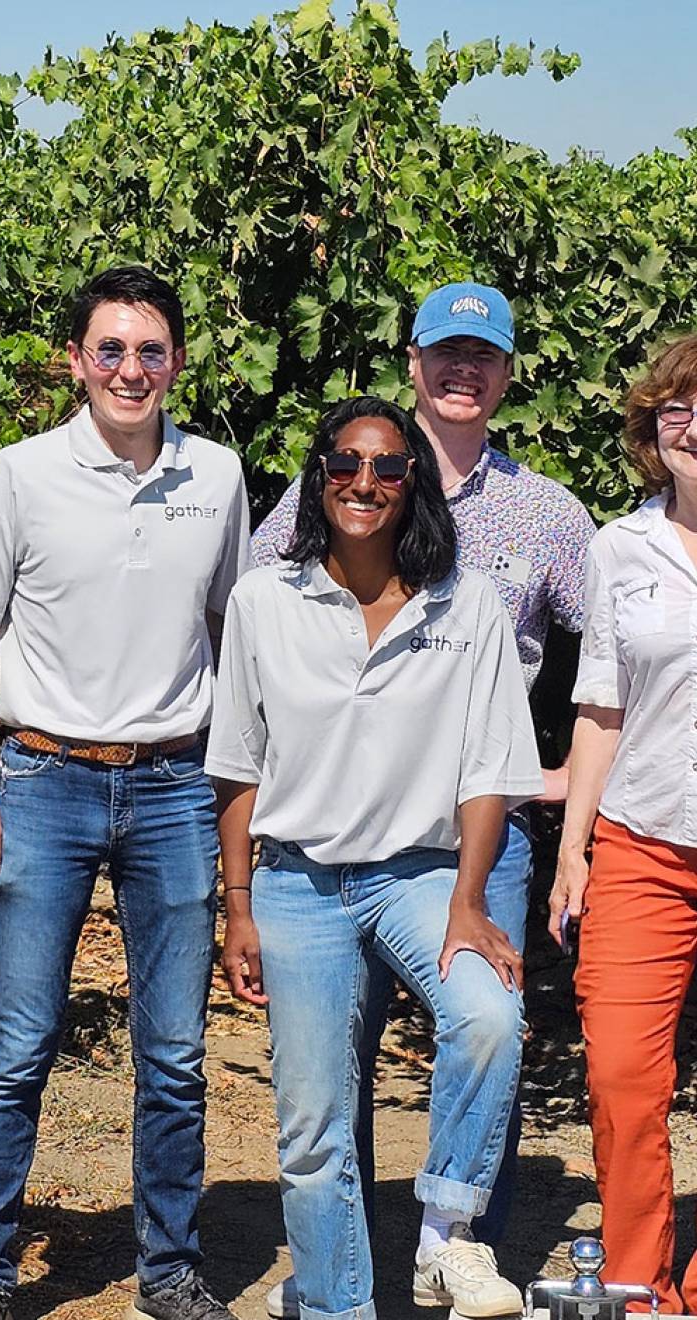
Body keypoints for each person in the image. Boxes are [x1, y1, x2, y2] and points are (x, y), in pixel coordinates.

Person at [251, 282, 594, 1314]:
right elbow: (265, 608)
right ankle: (332, 1270)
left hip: (474, 829)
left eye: (482, 357)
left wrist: (573, 775)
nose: (462, 371)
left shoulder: (547, 512)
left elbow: (614, 656)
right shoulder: (348, 473)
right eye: (445, 352)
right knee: (332, 1059)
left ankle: (451, 1246)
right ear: (413, 362)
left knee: (483, 1018)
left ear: (505, 374)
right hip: (335, 823)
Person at [0, 266, 250, 1320]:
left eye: (151, 349)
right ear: (74, 361)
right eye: (110, 349)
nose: (130, 368)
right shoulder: (18, 476)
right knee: (17, 1047)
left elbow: (230, 632)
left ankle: (169, 1269)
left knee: (173, 1054)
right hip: (42, 779)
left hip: (171, 786)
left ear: (176, 361)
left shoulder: (217, 474)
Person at [211, 396, 543, 1320]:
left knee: (487, 1016)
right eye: (347, 464)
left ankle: (446, 1236)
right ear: (320, 478)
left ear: (414, 483)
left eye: (389, 466)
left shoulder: (465, 603)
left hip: (422, 875)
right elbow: (236, 766)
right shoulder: (263, 599)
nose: (367, 482)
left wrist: (470, 900)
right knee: (315, 1127)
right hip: (297, 883)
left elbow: (489, 769)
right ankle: (333, 1303)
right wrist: (237, 908)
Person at [550, 333, 697, 1314]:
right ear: (655, 427)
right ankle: (641, 1285)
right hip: (644, 842)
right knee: (621, 1073)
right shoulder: (618, 547)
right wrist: (574, 848)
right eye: (681, 408)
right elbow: (599, 704)